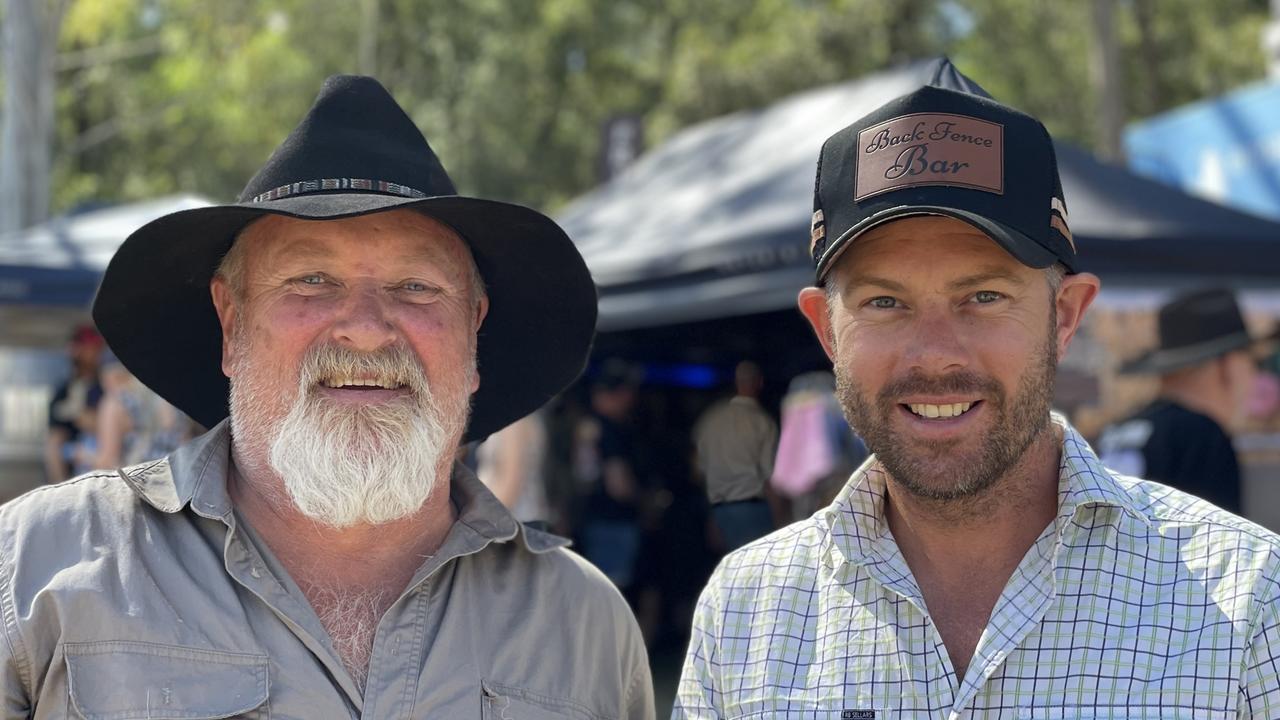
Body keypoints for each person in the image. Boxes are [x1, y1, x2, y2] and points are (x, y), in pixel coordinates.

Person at [1, 75, 652, 718]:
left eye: (417, 287)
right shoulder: (36, 567)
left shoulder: (585, 629)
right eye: (311, 279)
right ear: (231, 326)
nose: (366, 329)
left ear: (473, 329)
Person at [675, 59, 1280, 718]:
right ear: (827, 330)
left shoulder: (1248, 601)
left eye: (984, 295)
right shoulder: (745, 613)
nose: (935, 354)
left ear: (1066, 316)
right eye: (884, 302)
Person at [1098, 288, 1274, 514]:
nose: (1255, 377)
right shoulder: (1202, 436)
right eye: (1253, 363)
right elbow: (1222, 542)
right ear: (1227, 366)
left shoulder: (1118, 430)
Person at [573, 359, 644, 593]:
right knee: (615, 595)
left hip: (590, 517)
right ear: (621, 393)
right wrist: (644, 501)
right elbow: (618, 485)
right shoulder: (611, 430)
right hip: (615, 522)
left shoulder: (586, 424)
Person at [692, 361, 778, 550]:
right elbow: (771, 476)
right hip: (754, 511)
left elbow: (698, 471)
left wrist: (711, 516)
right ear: (759, 383)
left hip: (720, 511)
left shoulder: (710, 418)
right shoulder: (762, 421)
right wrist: (782, 518)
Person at [42, 324, 104, 481]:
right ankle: (59, 493)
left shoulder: (105, 385)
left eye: (96, 348)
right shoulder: (64, 389)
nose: (93, 352)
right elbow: (56, 434)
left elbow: (97, 424)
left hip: (103, 451)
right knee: (54, 445)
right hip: (73, 456)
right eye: (88, 347)